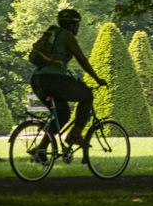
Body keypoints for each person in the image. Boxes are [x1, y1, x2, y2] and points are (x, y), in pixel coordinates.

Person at [31, 8, 107, 147]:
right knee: (87, 96)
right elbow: (82, 60)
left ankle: (41, 150)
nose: (78, 27)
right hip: (54, 80)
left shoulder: (53, 34)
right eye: (77, 24)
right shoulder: (67, 36)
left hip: (37, 79)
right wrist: (97, 79)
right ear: (71, 25)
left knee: (62, 115)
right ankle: (76, 134)